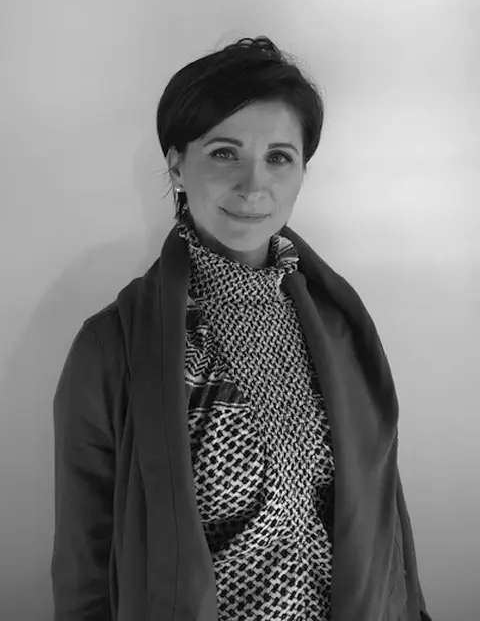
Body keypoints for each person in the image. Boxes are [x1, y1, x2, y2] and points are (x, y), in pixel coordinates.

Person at [51, 36, 432, 621]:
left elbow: (387, 526)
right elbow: (86, 562)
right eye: (225, 153)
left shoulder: (340, 327)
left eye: (279, 157)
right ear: (177, 165)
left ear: (303, 171)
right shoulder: (113, 349)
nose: (254, 186)